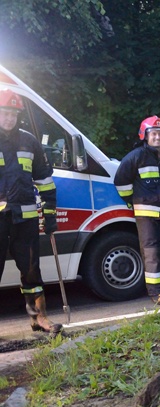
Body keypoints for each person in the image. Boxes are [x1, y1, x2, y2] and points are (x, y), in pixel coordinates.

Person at [0, 89, 61, 333]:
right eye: (4, 113)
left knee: (31, 270)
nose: (9, 119)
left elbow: (44, 180)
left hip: (25, 219)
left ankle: (39, 317)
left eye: (13, 114)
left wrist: (50, 213)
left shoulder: (29, 141)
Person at [113, 116, 160, 305]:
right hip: (147, 216)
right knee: (152, 253)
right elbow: (121, 182)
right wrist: (132, 202)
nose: (157, 138)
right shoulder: (136, 156)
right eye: (153, 134)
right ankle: (156, 292)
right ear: (145, 136)